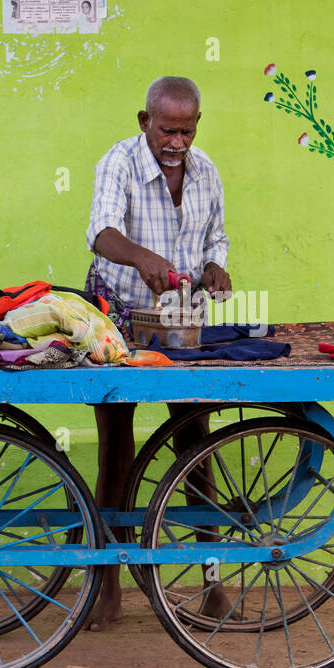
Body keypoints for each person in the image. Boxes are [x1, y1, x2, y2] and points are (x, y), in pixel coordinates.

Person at [84, 76, 232, 629]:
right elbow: (101, 234)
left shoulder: (207, 171)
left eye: (187, 130)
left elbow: (216, 239)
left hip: (179, 326)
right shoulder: (118, 163)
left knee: (196, 445)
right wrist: (143, 259)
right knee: (115, 452)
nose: (177, 141)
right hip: (117, 318)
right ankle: (108, 585)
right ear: (144, 120)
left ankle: (213, 578)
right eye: (167, 129)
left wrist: (216, 268)